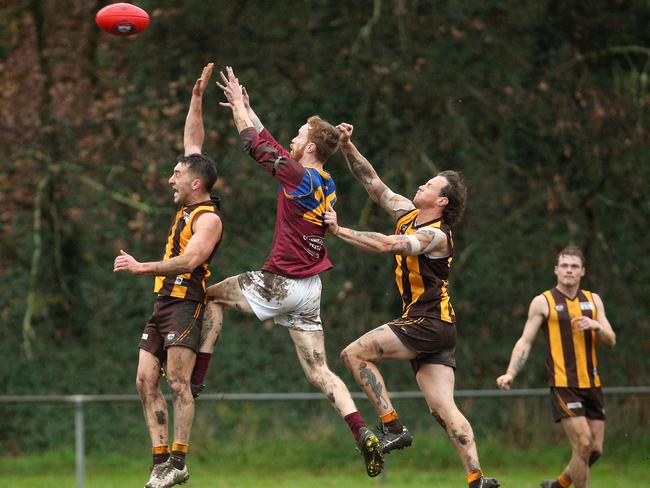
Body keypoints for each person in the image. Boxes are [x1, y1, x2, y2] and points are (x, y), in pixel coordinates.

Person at [189, 66, 384, 477]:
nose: (292, 139)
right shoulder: (326, 182)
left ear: (310, 147)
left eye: (299, 135)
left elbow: (255, 146)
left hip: (279, 283)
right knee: (319, 371)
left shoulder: (295, 175)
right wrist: (248, 107)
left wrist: (241, 109)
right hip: (310, 289)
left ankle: (196, 381)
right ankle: (362, 430)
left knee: (210, 295)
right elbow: (272, 142)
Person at [323, 123, 500, 488]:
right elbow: (373, 183)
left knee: (354, 354)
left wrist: (340, 231)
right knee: (444, 408)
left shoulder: (435, 235)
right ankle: (477, 478)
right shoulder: (408, 213)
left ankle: (392, 426)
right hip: (438, 326)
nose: (422, 184)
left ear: (442, 201)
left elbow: (390, 245)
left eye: (431, 185)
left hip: (428, 321)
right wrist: (347, 146)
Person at [113, 64, 223, 488]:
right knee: (144, 381)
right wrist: (196, 99)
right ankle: (160, 460)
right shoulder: (187, 204)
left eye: (177, 175)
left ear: (196, 184)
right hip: (163, 305)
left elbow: (189, 261)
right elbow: (192, 143)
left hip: (185, 305)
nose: (170, 178)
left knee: (179, 383)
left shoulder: (208, 218)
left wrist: (142, 267)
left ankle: (179, 461)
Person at [496, 246, 616, 488]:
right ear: (556, 270)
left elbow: (611, 340)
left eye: (574, 266)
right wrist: (510, 372)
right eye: (564, 266)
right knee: (582, 444)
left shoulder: (593, 301)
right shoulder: (543, 302)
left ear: (583, 271)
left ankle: (558, 485)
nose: (568, 270)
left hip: (592, 383)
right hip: (563, 384)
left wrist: (596, 325)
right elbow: (525, 341)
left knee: (594, 449)